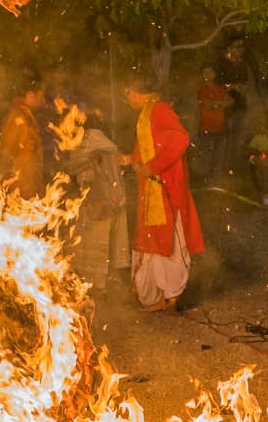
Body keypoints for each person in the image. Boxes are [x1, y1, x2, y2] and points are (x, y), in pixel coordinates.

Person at [122, 80, 204, 309]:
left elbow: (180, 139)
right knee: (155, 242)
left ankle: (171, 296)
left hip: (166, 189)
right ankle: (158, 294)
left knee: (169, 243)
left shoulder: (159, 110)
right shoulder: (146, 114)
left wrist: (152, 167)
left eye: (127, 95)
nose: (127, 101)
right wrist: (132, 160)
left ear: (137, 93)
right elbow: (148, 147)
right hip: (153, 189)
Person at [64, 109, 128, 292]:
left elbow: (77, 171)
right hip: (115, 201)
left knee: (95, 246)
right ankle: (105, 286)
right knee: (110, 245)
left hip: (98, 201)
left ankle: (96, 287)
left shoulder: (87, 143)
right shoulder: (110, 145)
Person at [0, 77, 46, 199]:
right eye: (41, 96)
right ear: (30, 95)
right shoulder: (18, 118)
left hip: (28, 185)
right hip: (20, 188)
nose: (43, 101)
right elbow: (8, 153)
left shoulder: (26, 116)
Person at [193, 64, 233, 182]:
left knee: (219, 155)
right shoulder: (201, 89)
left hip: (220, 126)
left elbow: (230, 101)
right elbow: (206, 103)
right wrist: (220, 103)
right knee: (207, 155)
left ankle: (216, 180)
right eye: (205, 72)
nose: (208, 75)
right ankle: (206, 180)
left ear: (215, 74)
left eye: (210, 72)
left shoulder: (220, 88)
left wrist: (217, 104)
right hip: (206, 127)